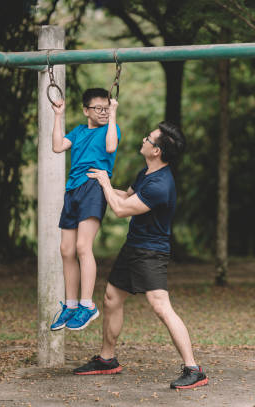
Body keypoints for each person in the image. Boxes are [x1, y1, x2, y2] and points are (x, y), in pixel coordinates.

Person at [75, 121, 208, 390]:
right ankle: (107, 359)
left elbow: (122, 209)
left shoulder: (161, 184)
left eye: (148, 138)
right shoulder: (146, 173)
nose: (144, 139)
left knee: (160, 305)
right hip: (133, 246)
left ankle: (194, 369)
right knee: (112, 297)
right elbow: (126, 195)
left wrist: (103, 182)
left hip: (151, 252)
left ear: (156, 150)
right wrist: (98, 186)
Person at [49, 88, 121, 331]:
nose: (102, 112)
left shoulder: (110, 128)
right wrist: (58, 115)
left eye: (106, 108)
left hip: (93, 186)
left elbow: (111, 147)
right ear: (85, 111)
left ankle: (87, 305)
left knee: (82, 246)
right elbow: (58, 147)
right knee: (66, 249)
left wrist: (114, 115)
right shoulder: (79, 131)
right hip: (73, 189)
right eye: (98, 108)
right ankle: (70, 305)